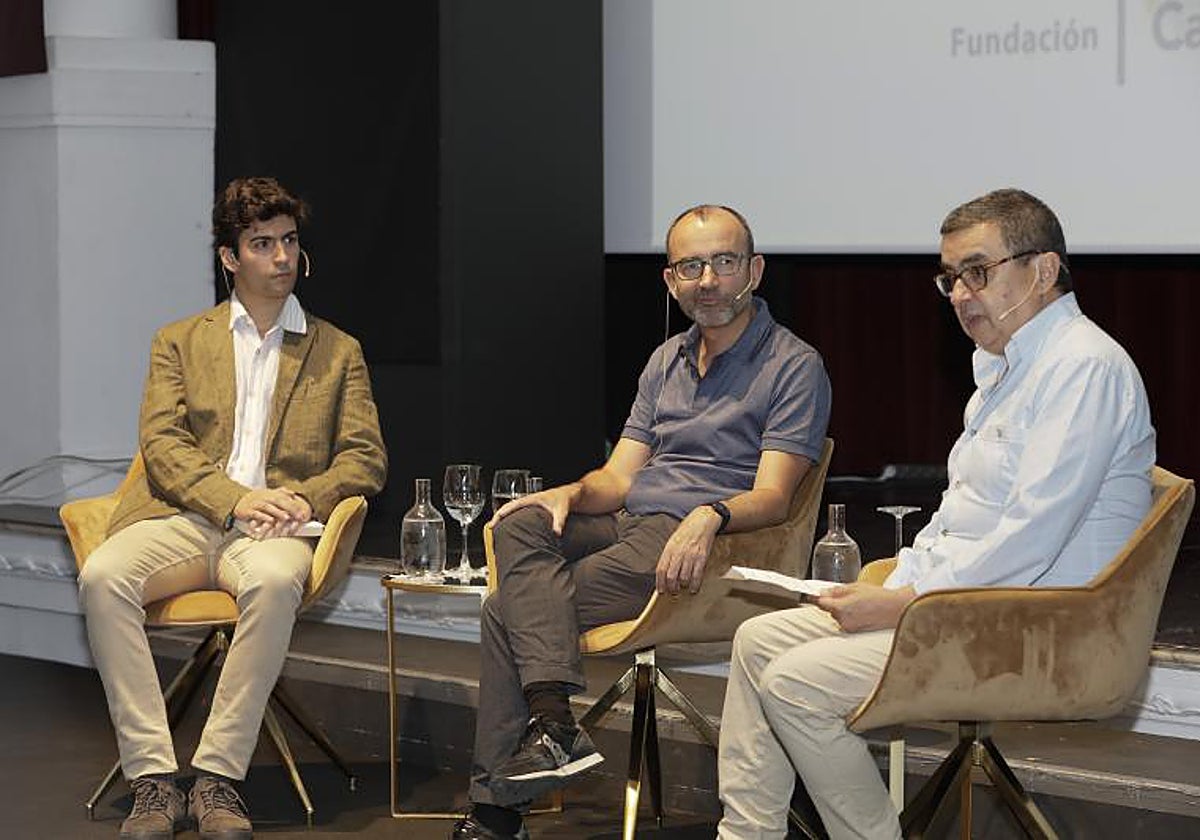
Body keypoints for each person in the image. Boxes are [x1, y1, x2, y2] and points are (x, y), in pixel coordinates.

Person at [716, 188, 1156, 840]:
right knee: (757, 641)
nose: (958, 293)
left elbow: (1029, 540)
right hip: (970, 612)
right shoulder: (1007, 370)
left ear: (1042, 270)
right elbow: (958, 522)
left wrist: (900, 606)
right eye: (949, 278)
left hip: (1037, 633)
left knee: (796, 686)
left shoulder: (1083, 367)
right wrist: (892, 588)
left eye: (977, 272)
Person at [452, 204, 833, 840]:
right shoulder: (665, 361)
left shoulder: (794, 365)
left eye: (724, 262)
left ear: (755, 271)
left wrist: (709, 515)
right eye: (691, 266)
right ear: (670, 280)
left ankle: (501, 805)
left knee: (502, 611)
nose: (707, 279)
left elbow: (774, 497)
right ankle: (551, 728)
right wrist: (568, 493)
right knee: (518, 524)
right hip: (634, 521)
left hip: (706, 544)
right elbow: (620, 479)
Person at [77, 177, 387, 840]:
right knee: (103, 577)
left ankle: (218, 778)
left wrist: (301, 497)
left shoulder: (337, 351)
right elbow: (162, 446)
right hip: (186, 520)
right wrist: (237, 499)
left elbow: (365, 459)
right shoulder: (180, 341)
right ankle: (153, 781)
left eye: (290, 242)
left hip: (277, 532)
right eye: (262, 243)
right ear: (229, 257)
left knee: (276, 581)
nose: (281, 257)